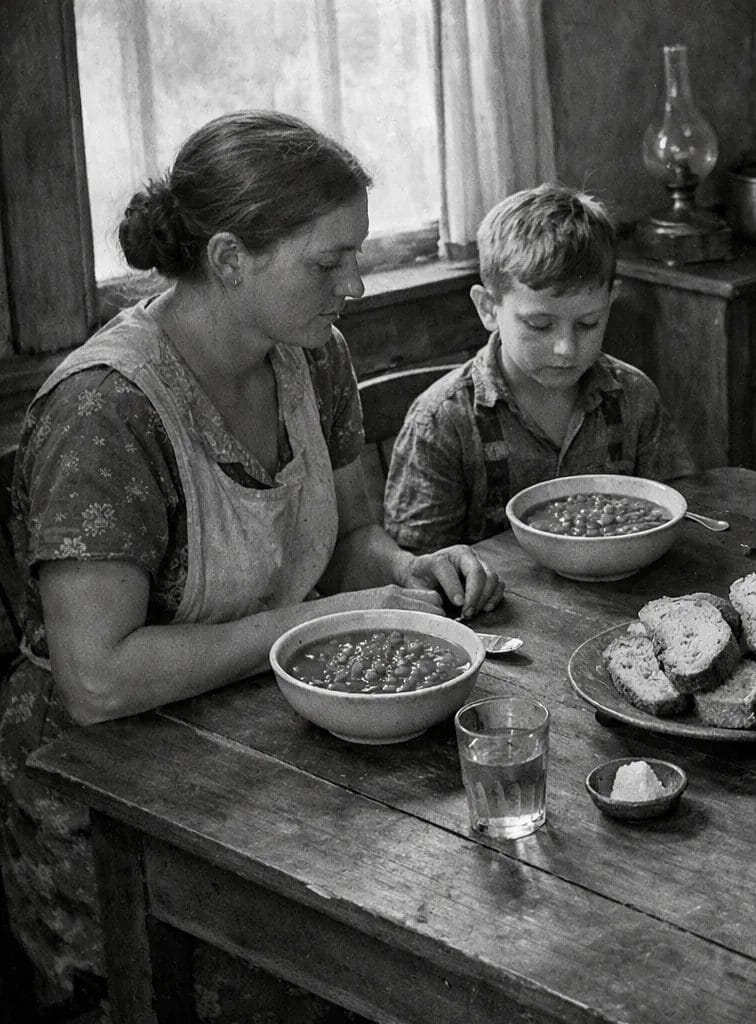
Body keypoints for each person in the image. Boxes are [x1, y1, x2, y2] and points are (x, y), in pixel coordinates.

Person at [1, 110, 503, 1019]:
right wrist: (306, 625)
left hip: (266, 747)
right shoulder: (104, 413)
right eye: (328, 261)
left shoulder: (313, 357)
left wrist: (411, 568)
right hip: (109, 804)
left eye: (355, 254)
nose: (354, 282)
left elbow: (351, 544)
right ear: (230, 258)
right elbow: (96, 680)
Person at [383, 183, 696, 552]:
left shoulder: (634, 397)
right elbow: (420, 565)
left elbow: (676, 514)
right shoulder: (442, 421)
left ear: (611, 302)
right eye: (540, 326)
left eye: (588, 324)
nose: (566, 349)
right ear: (488, 308)